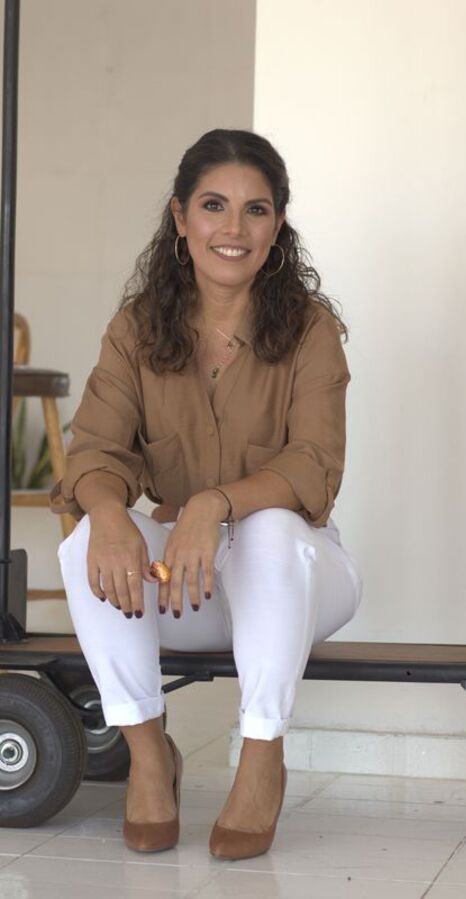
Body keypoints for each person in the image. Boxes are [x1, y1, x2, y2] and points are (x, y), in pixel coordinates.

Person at [50, 129, 362, 860]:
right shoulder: (136, 329)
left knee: (271, 528)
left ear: (277, 226)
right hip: (184, 588)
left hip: (296, 580)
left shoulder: (311, 330)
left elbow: (314, 467)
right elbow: (95, 451)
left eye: (256, 210)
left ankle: (262, 755)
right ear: (180, 216)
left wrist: (209, 503)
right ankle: (147, 754)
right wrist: (108, 511)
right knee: (85, 539)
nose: (234, 228)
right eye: (214, 205)